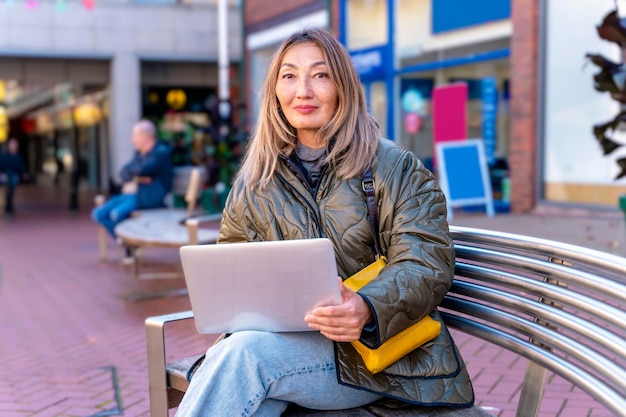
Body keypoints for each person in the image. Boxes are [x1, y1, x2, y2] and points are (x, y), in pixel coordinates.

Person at [176, 28, 474, 416]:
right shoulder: (256, 181)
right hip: (284, 346)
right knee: (254, 393)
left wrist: (367, 307)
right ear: (275, 92)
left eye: (320, 75)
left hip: (381, 356)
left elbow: (427, 262)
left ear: (343, 87)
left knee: (247, 359)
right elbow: (234, 270)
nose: (303, 91)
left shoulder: (392, 166)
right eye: (289, 76)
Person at [91, 119, 172, 238]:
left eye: (135, 136)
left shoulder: (161, 153)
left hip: (149, 198)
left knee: (116, 213)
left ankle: (129, 243)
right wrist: (139, 178)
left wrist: (136, 176)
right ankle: (126, 241)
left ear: (145, 136)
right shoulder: (139, 153)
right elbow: (124, 171)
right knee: (98, 213)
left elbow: (143, 169)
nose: (132, 140)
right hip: (132, 195)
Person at [0, 138, 28, 217]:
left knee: (10, 191)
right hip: (6, 176)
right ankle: (8, 209)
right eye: (12, 144)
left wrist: (24, 173)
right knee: (9, 192)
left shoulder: (19, 156)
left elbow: (22, 166)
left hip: (14, 176)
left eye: (15, 144)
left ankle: (9, 208)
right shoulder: (4, 156)